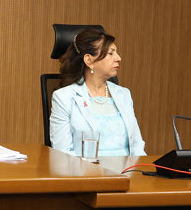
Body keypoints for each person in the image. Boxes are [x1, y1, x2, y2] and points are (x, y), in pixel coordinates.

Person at [49, 27, 146, 156]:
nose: (118, 58)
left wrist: (141, 167)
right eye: (111, 53)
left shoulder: (124, 94)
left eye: (116, 53)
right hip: (85, 168)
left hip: (128, 168)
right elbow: (63, 153)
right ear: (89, 60)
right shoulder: (64, 97)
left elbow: (137, 146)